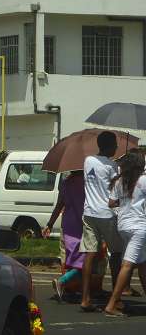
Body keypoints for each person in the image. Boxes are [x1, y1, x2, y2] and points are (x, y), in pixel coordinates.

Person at [79, 130, 124, 312]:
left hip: (89, 212)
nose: (116, 148)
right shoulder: (112, 166)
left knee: (90, 254)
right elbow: (116, 191)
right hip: (107, 214)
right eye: (114, 145)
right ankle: (116, 297)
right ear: (108, 146)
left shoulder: (88, 160)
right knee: (116, 254)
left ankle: (85, 298)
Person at [103, 152, 146, 317]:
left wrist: (127, 199)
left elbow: (111, 203)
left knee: (142, 264)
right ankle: (112, 304)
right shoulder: (142, 180)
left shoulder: (119, 181)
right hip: (138, 227)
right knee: (127, 266)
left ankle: (114, 302)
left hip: (123, 226)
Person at [42, 170, 85, 301]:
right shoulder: (87, 183)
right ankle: (62, 281)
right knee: (86, 260)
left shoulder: (65, 183)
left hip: (67, 223)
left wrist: (49, 224)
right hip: (81, 224)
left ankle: (68, 287)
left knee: (69, 258)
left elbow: (59, 205)